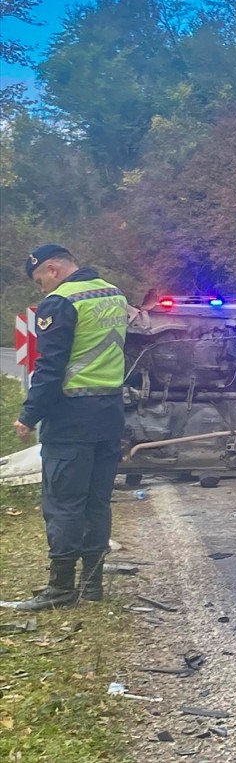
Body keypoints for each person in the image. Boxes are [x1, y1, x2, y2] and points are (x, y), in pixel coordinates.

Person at [10, 244, 128, 611]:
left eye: (40, 279)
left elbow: (50, 368)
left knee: (63, 503)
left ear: (53, 269)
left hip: (71, 417)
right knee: (97, 502)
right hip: (109, 414)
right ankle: (92, 586)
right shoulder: (114, 293)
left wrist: (29, 415)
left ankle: (61, 590)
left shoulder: (61, 302)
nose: (40, 288)